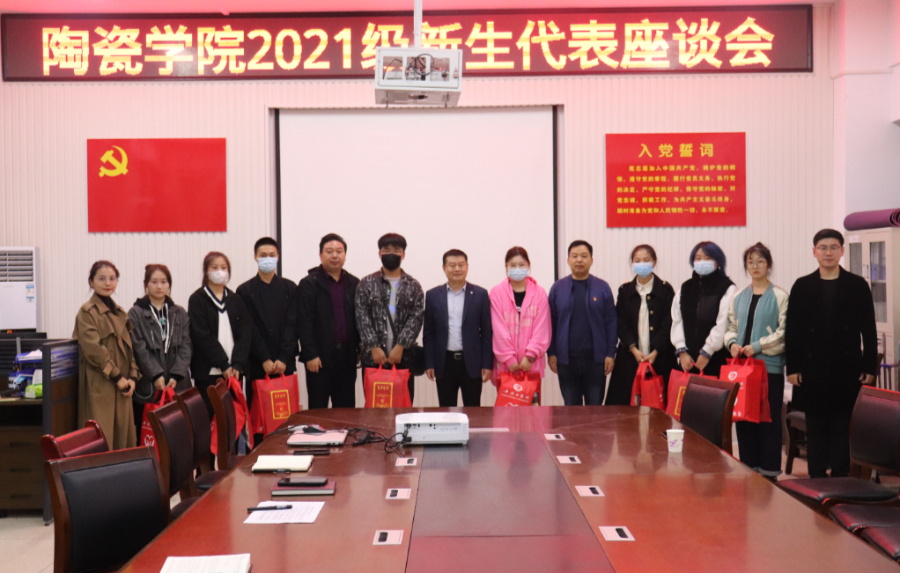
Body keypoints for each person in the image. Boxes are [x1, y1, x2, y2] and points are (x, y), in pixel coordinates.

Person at [785, 229, 878, 478]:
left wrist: (869, 366)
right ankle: (816, 479)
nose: (828, 252)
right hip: (811, 369)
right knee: (815, 428)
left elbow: (869, 330)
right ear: (814, 252)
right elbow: (792, 331)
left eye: (834, 247)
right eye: (823, 248)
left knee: (841, 427)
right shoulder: (802, 286)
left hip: (846, 368)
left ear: (842, 251)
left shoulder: (857, 285)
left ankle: (840, 479)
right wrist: (792, 368)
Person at [724, 243, 789, 481]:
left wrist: (758, 346)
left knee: (768, 420)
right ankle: (748, 470)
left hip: (769, 369)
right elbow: (731, 327)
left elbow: (784, 332)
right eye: (750, 262)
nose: (755, 266)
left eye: (760, 261)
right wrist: (732, 343)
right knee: (744, 419)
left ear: (768, 265)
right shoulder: (739, 297)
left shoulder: (780, 296)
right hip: (743, 370)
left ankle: (769, 474)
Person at [236, 237, 298, 439]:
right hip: (258, 364)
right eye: (263, 255)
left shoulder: (290, 288)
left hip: (284, 364)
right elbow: (249, 328)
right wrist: (264, 358)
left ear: (278, 257)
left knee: (286, 421)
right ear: (255, 257)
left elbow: (292, 325)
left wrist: (284, 357)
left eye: (272, 255)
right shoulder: (245, 291)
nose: (268, 259)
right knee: (260, 422)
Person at [73, 261, 138, 450]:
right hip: (101, 384)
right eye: (101, 278)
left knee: (124, 441)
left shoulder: (120, 312)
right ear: (91, 282)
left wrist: (133, 376)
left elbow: (129, 348)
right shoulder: (87, 312)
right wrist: (117, 376)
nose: (108, 283)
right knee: (102, 440)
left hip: (124, 386)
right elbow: (93, 349)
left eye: (112, 278)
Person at [355, 233, 424, 403]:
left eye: (396, 250)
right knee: (374, 408)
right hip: (372, 359)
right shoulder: (366, 283)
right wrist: (374, 346)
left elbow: (416, 318)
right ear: (380, 254)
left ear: (403, 255)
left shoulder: (413, 285)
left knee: (403, 408)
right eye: (386, 250)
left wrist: (400, 347)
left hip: (403, 358)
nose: (391, 253)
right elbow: (361, 316)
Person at [548, 240, 617, 406]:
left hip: (596, 360)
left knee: (595, 409)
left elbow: (611, 322)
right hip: (566, 360)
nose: (579, 260)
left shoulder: (602, 287)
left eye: (584, 256)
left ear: (591, 260)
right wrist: (551, 353)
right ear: (568, 260)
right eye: (575, 256)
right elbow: (551, 323)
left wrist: (610, 353)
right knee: (571, 409)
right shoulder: (557, 288)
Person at [128, 264, 192, 441]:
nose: (159, 286)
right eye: (154, 282)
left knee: (178, 438)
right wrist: (156, 375)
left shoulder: (179, 312)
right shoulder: (135, 313)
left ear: (169, 285)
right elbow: (138, 348)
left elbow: (186, 345)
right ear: (146, 284)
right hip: (148, 386)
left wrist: (176, 374)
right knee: (148, 438)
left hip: (177, 384)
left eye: (164, 282)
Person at [606, 245, 676, 406]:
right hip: (630, 358)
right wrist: (634, 349)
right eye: (637, 261)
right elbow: (621, 323)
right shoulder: (625, 291)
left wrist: (655, 351)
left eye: (646, 260)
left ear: (654, 262)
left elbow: (668, 323)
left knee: (660, 407)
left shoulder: (665, 290)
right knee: (625, 408)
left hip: (660, 357)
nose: (642, 264)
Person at [297, 234, 361, 409]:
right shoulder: (309, 284)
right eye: (329, 251)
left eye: (339, 252)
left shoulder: (354, 283)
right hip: (319, 359)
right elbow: (304, 322)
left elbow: (359, 320)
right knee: (318, 411)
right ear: (320, 255)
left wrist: (359, 350)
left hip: (347, 358)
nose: (335, 255)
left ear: (345, 255)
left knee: (346, 411)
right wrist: (310, 354)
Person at [423, 249, 493, 407]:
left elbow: (487, 334)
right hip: (444, 362)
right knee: (446, 410)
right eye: (452, 265)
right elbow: (429, 333)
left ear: (467, 267)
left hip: (472, 362)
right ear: (444, 268)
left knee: (473, 409)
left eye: (461, 265)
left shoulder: (480, 294)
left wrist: (487, 364)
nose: (457, 269)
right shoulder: (433, 295)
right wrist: (429, 363)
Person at [188, 252, 252, 417]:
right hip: (208, 373)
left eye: (223, 268)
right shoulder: (197, 299)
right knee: (210, 420)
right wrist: (223, 364)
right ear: (206, 271)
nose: (220, 272)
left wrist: (237, 364)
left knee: (234, 419)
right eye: (214, 268)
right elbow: (202, 335)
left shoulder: (236, 299)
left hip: (234, 374)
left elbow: (245, 334)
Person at [489, 246, 551, 403]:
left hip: (531, 366)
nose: (517, 269)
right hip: (506, 367)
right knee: (506, 411)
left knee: (533, 412)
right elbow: (498, 330)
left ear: (528, 266)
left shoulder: (540, 293)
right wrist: (509, 359)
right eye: (513, 265)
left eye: (521, 265)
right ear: (506, 267)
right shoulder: (496, 293)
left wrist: (529, 357)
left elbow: (542, 329)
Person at [671, 241, 736, 378]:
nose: (702, 262)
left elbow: (723, 323)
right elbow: (677, 320)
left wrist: (707, 351)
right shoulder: (685, 287)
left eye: (708, 258)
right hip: (687, 361)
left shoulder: (727, 287)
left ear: (718, 262)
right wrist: (682, 351)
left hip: (715, 359)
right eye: (698, 258)